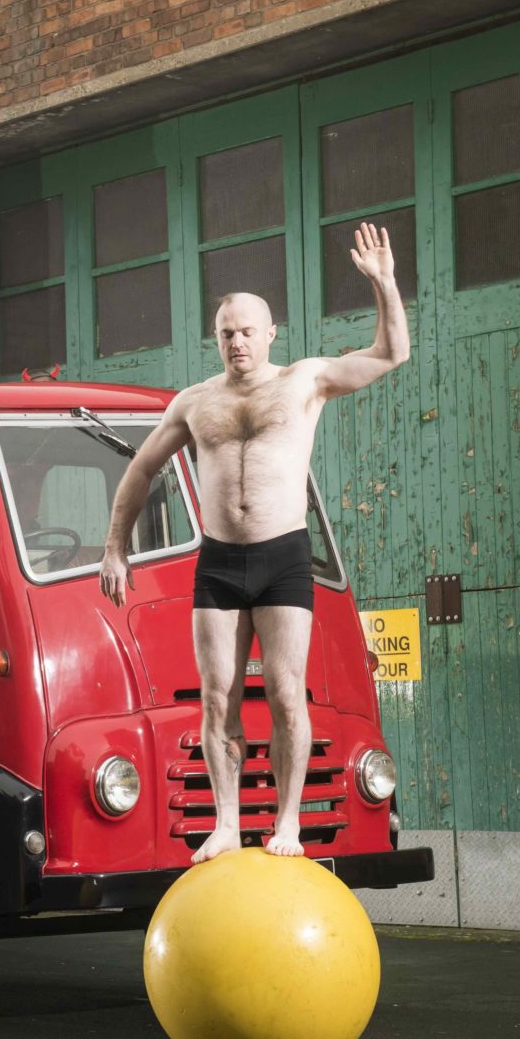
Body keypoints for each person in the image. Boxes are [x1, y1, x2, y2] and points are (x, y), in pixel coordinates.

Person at [99, 223, 409, 862]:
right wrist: (114, 547)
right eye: (226, 332)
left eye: (248, 330)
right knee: (217, 699)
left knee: (286, 693)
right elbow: (140, 470)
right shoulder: (194, 403)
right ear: (216, 339)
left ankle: (289, 823)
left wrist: (384, 283)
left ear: (271, 334)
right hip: (219, 563)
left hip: (283, 556)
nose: (237, 341)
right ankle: (228, 824)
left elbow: (389, 353)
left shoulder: (305, 380)